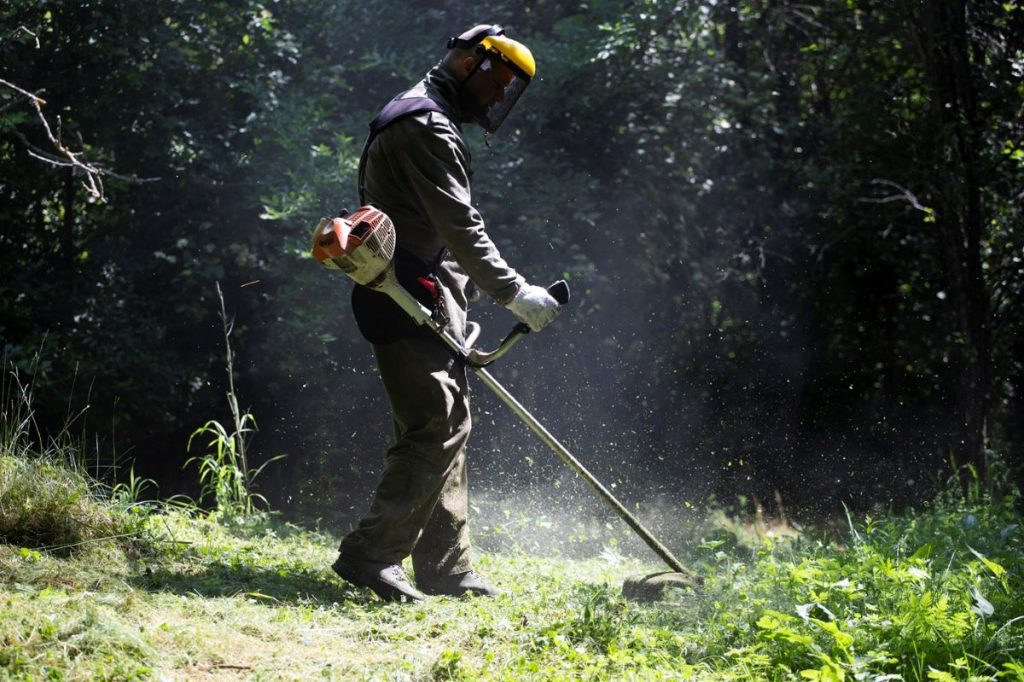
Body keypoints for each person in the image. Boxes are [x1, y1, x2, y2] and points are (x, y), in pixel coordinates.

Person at [331, 24, 561, 602]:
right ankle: (372, 555)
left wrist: (465, 293)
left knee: (447, 422)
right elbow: (459, 226)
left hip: (424, 286)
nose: (498, 100)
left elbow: (437, 230)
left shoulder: (423, 115)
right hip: (401, 287)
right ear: (472, 66)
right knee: (434, 423)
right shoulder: (423, 126)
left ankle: (446, 567)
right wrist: (513, 292)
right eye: (498, 85)